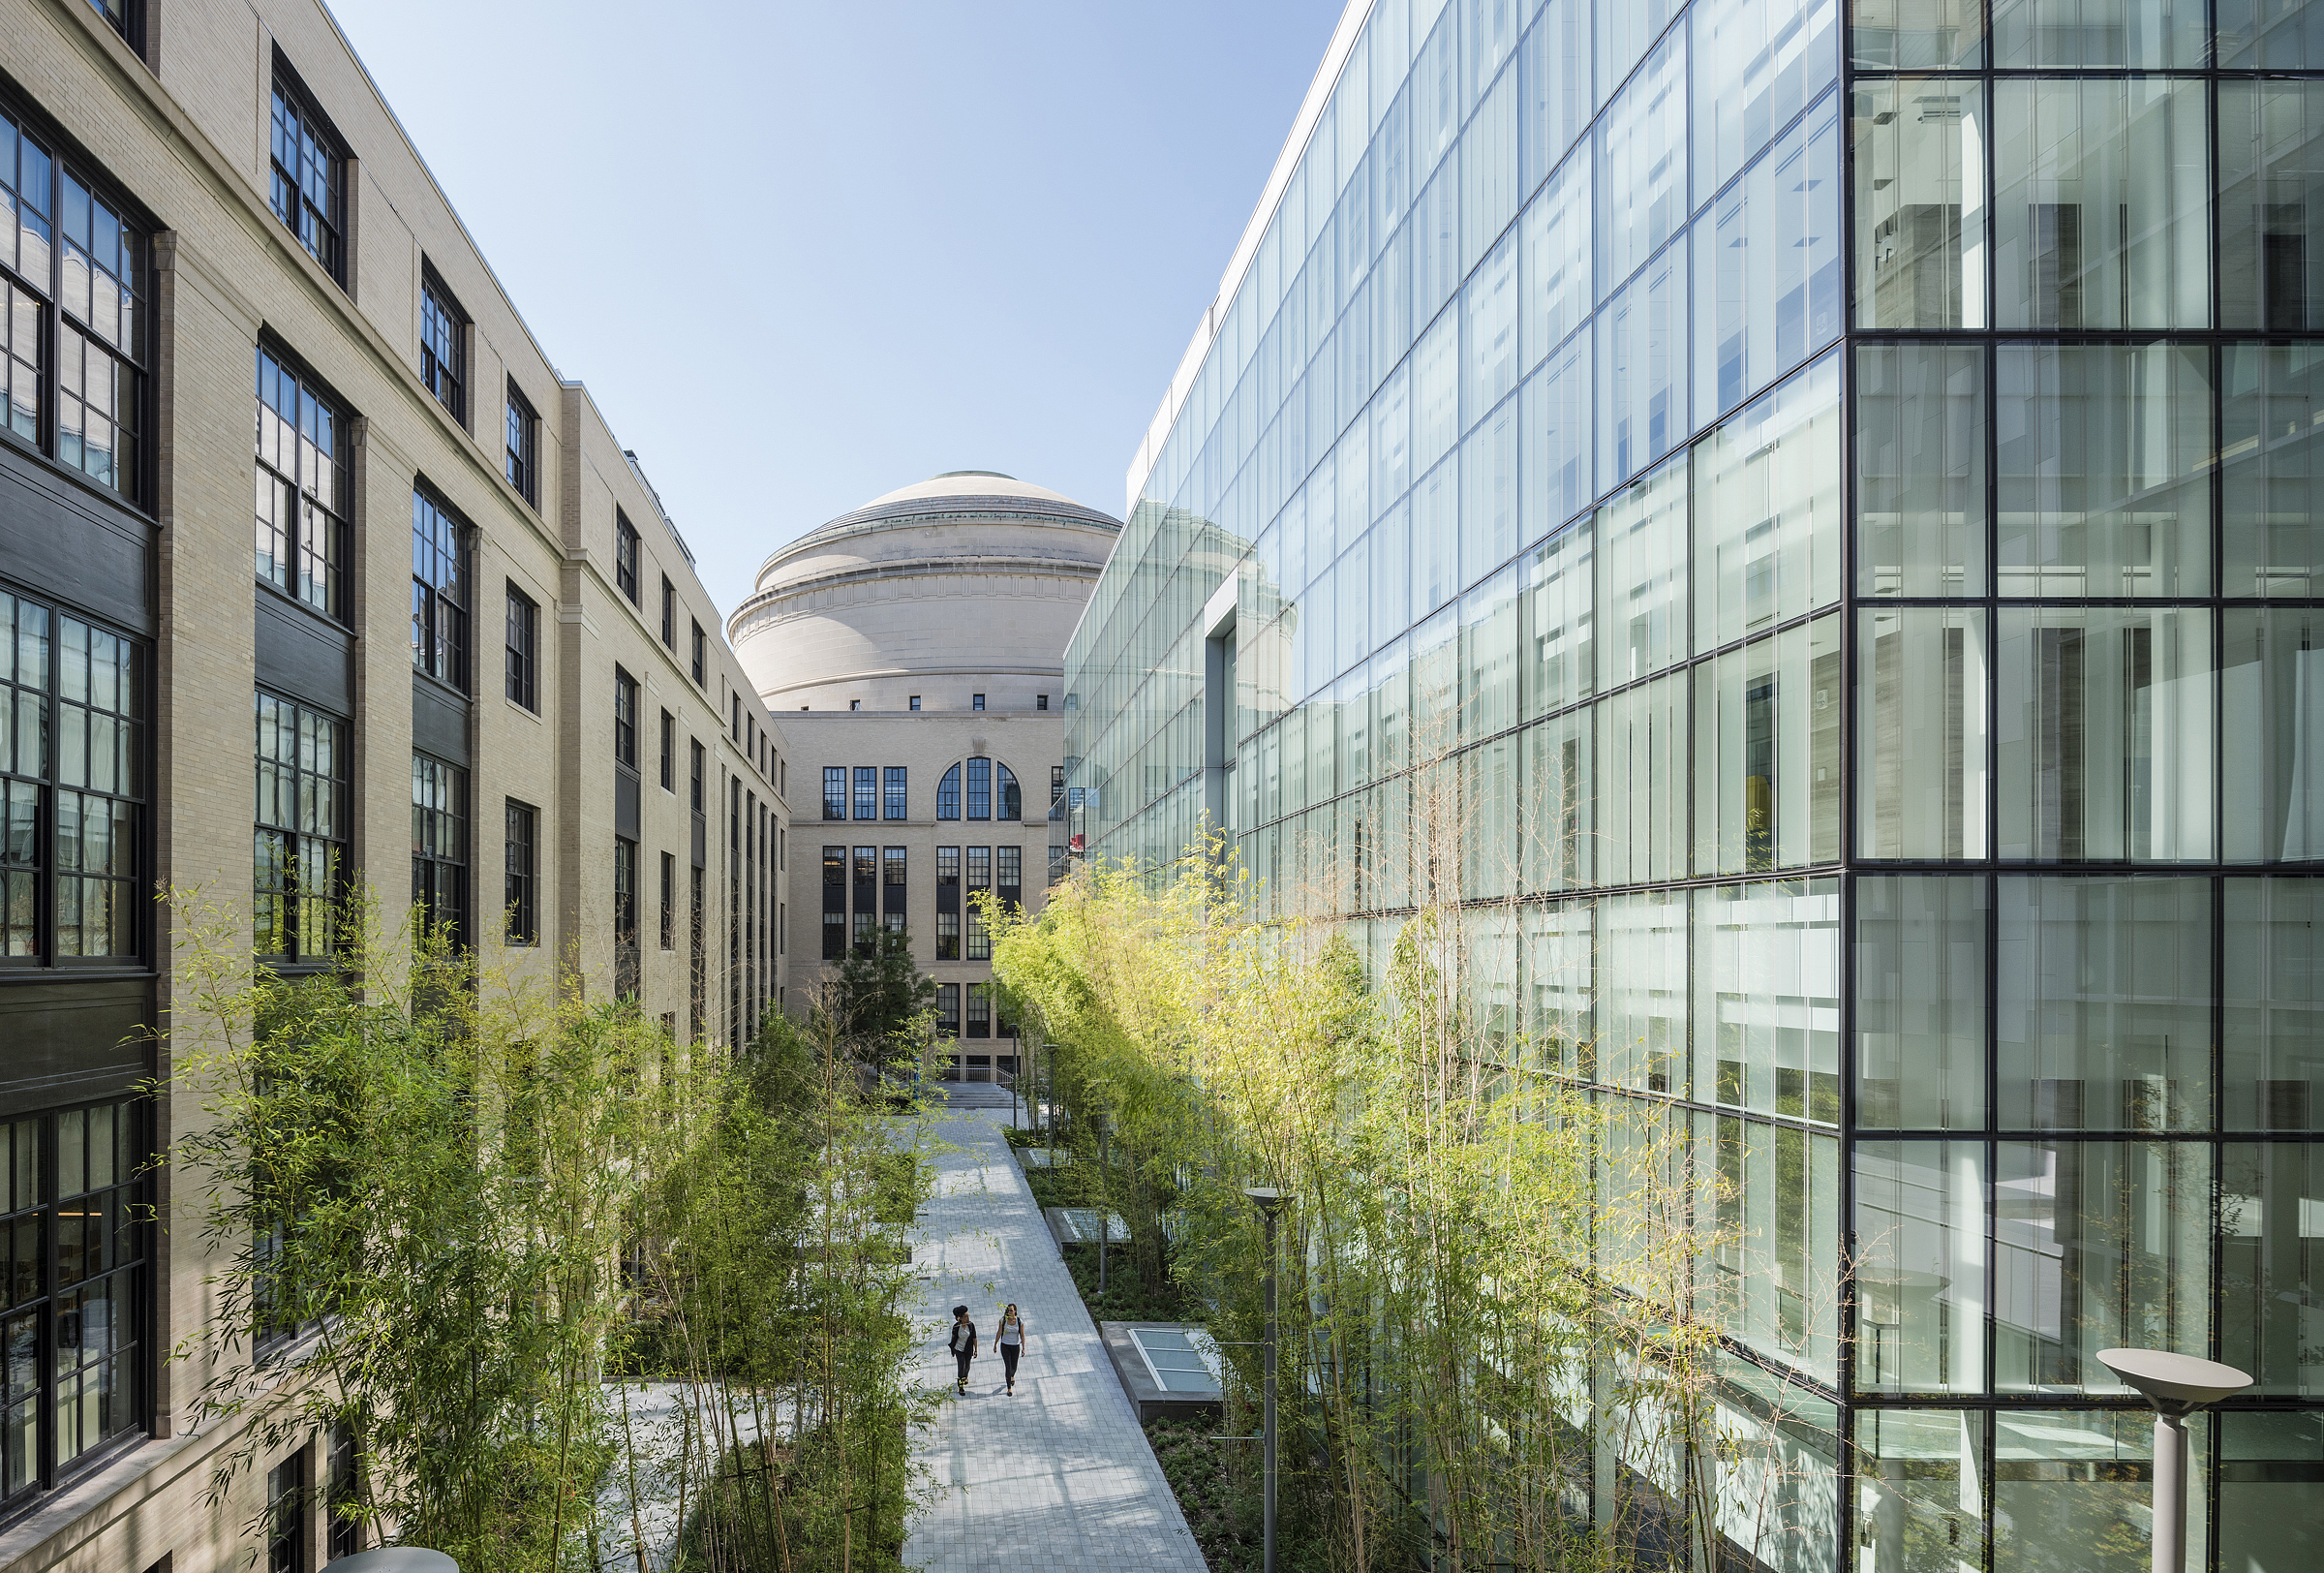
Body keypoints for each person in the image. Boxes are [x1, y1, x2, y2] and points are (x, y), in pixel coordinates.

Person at [995, 1303, 1026, 1395]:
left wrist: (1023, 1347)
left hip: (1015, 1346)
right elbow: (999, 1332)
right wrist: (995, 1344)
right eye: (1008, 1310)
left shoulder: (1020, 1322)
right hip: (1005, 1345)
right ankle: (1009, 1388)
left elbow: (1022, 1335)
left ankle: (1012, 1376)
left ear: (1015, 1311)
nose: (1010, 1312)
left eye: (1011, 1310)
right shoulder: (1003, 1320)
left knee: (1014, 1366)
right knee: (1008, 1367)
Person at [947, 1304, 977, 1395]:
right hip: (959, 1349)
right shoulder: (956, 1327)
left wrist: (976, 1349)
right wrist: (952, 1348)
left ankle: (965, 1376)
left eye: (968, 1316)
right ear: (960, 1318)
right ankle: (960, 1386)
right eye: (965, 1317)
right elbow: (953, 1338)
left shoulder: (971, 1326)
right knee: (961, 1367)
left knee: (967, 1366)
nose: (967, 1318)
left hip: (968, 1349)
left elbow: (974, 1338)